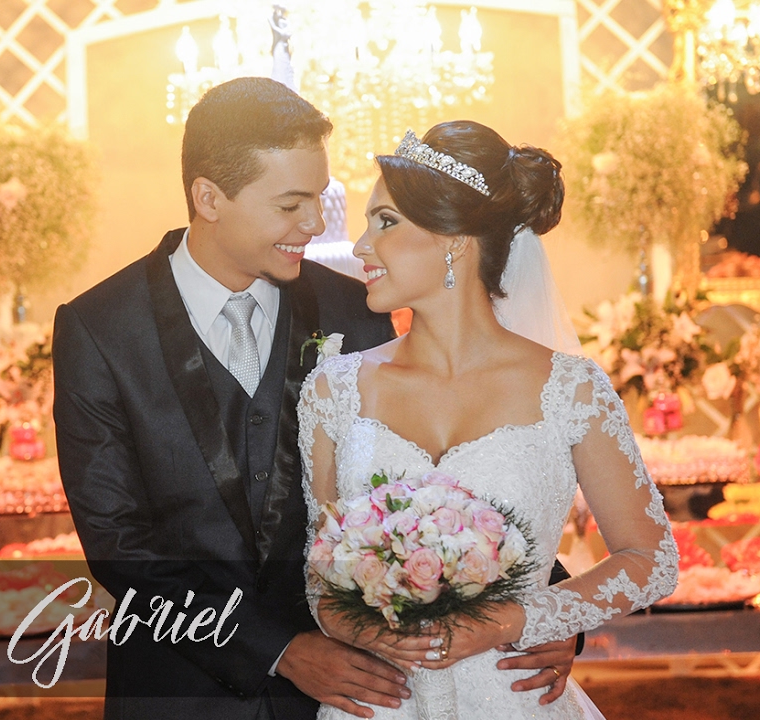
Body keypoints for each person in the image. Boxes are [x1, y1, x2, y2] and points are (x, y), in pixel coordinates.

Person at [54, 80, 578, 719]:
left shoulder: (353, 308)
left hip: (358, 696)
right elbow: (119, 542)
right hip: (179, 690)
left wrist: (546, 611)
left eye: (320, 198)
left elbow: (440, 474)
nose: (316, 224)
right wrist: (277, 650)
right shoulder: (100, 328)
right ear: (209, 198)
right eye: (291, 204)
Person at [299, 121, 678, 719]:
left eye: (386, 222)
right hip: (378, 705)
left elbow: (650, 559)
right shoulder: (333, 391)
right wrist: (367, 631)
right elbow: (320, 576)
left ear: (455, 239)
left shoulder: (571, 390)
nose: (362, 246)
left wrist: (517, 620)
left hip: (513, 698)